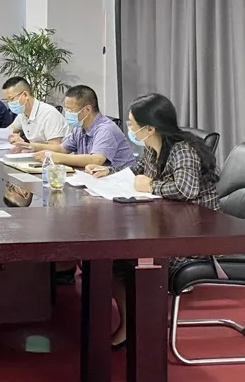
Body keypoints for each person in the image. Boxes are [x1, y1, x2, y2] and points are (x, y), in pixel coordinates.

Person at [86, 93, 220, 348]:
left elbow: (186, 190)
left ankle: (139, 326)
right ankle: (132, 321)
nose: (129, 128)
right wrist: (109, 172)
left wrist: (152, 186)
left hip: (193, 236)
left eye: (132, 124)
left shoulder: (182, 150)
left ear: (150, 128)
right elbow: (138, 171)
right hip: (167, 225)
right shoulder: (152, 147)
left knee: (123, 259)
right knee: (112, 259)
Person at [29, 85, 136, 170]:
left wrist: (54, 157)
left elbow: (96, 160)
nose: (67, 113)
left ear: (87, 110)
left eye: (71, 110)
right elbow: (62, 149)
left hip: (119, 182)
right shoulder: (79, 128)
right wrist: (32, 146)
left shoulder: (106, 129)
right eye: (66, 109)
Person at [2, 77, 70, 145]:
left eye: (11, 99)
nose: (9, 103)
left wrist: (24, 144)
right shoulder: (23, 113)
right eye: (7, 100)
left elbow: (55, 146)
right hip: (35, 151)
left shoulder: (49, 114)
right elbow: (9, 130)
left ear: (25, 95)